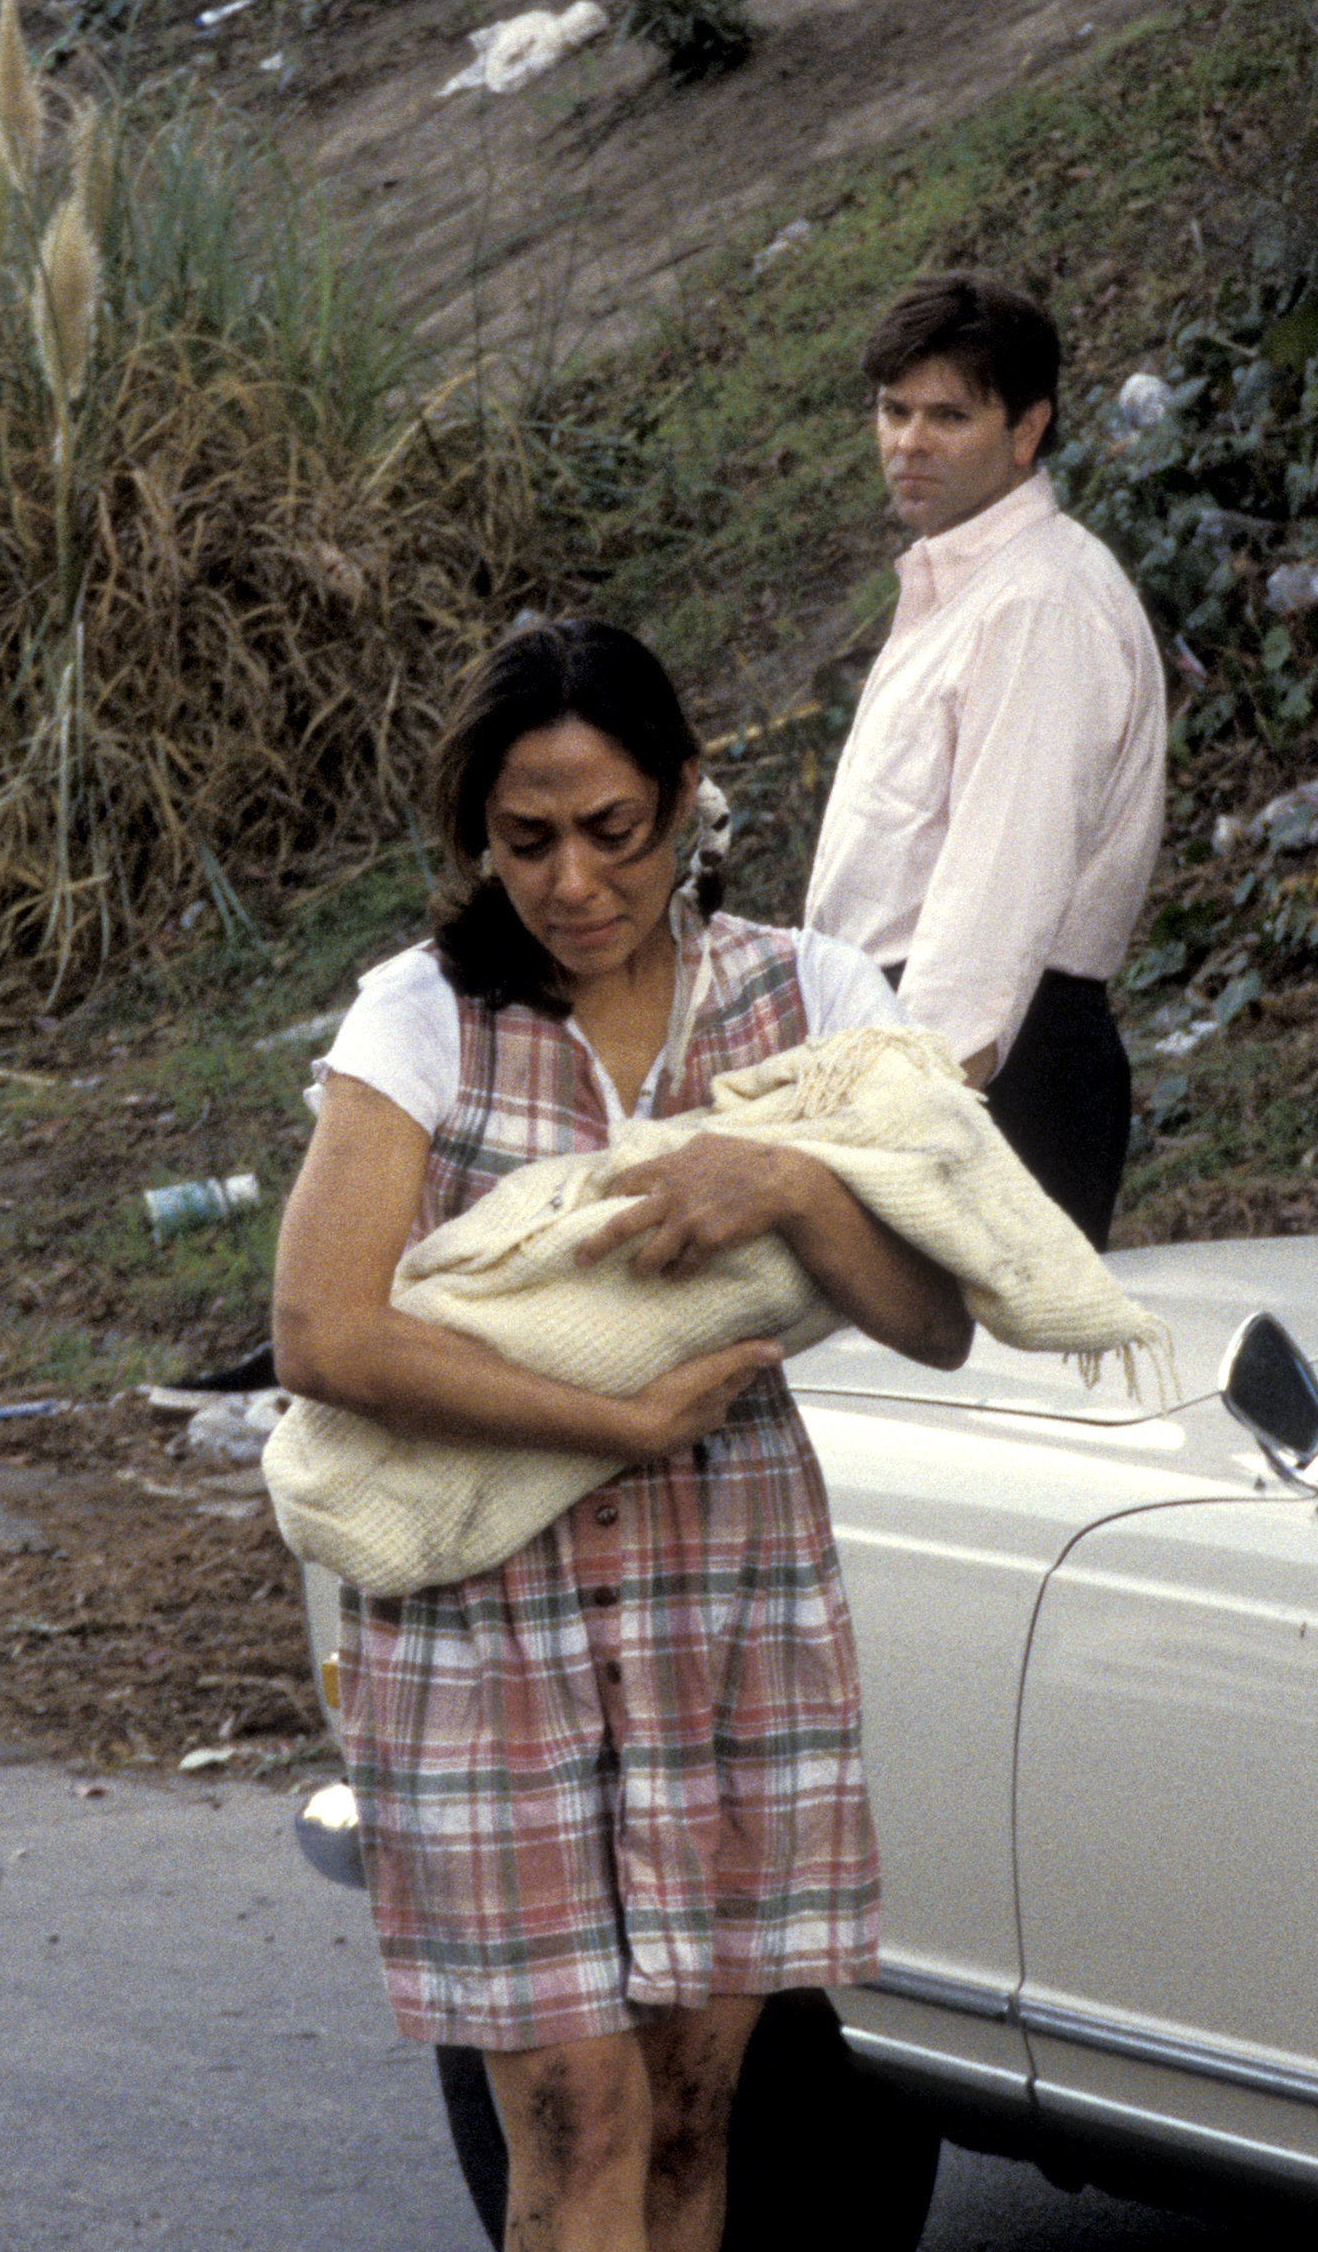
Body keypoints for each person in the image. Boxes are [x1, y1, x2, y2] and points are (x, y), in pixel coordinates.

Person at [271, 619, 971, 2252]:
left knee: (684, 2114)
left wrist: (791, 1179)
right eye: (527, 842)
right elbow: (323, 1334)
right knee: (578, 2114)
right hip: (487, 1622)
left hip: (726, 1605)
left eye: (614, 833)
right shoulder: (421, 1019)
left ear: (684, 800)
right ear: (476, 836)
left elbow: (935, 1312)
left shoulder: (814, 1000)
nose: (575, 881)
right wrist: (614, 1417)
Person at [803, 271, 1165, 1248]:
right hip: (920, 1051)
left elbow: (997, 897)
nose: (908, 444)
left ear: (1026, 430)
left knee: (975, 1395)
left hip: (989, 1072)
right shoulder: (968, 587)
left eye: (948, 416)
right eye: (893, 410)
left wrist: (895, 1128)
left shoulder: (1037, 606)